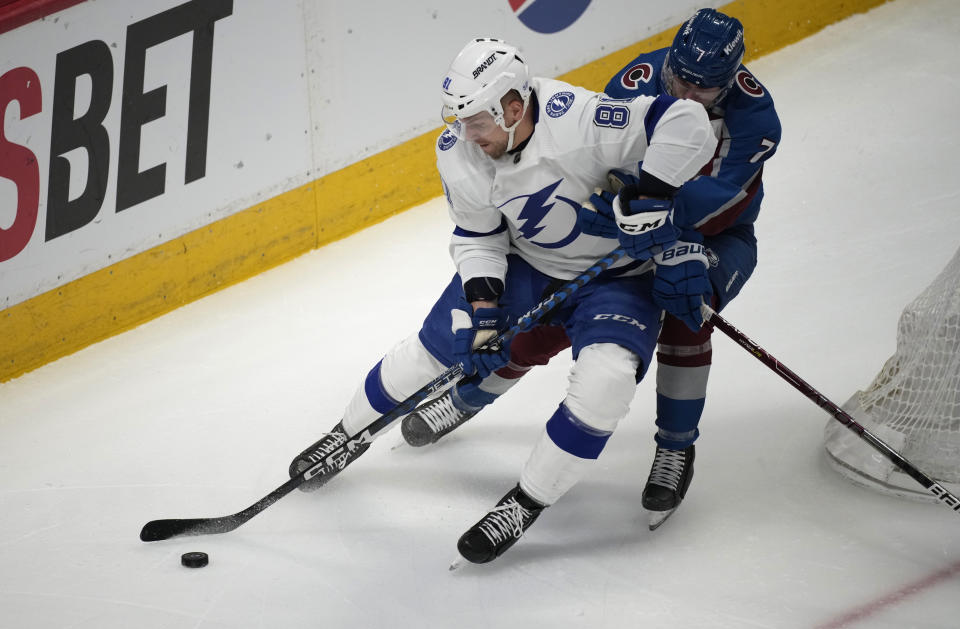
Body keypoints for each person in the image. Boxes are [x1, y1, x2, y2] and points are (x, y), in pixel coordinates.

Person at [288, 37, 717, 563]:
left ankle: (526, 501)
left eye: (476, 121)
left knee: (605, 383)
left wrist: (651, 191)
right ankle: (345, 436)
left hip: (620, 278)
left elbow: (688, 123)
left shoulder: (581, 120)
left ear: (514, 108)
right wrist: (487, 316)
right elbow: (478, 236)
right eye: (458, 120)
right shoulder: (459, 152)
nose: (464, 135)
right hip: (527, 267)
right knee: (433, 351)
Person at [400, 9, 782, 528]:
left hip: (712, 235)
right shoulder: (638, 82)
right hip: (626, 226)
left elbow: (715, 202)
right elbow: (595, 162)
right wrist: (622, 206)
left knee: (687, 313)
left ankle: (676, 448)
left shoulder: (757, 120)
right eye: (680, 79)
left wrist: (653, 224)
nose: (687, 94)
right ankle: (472, 393)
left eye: (704, 89)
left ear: (730, 81)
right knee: (552, 310)